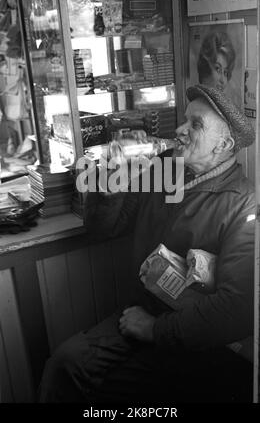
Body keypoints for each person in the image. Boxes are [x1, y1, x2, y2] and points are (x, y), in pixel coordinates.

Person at [39, 85, 255, 403]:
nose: (180, 130)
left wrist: (155, 329)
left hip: (193, 341)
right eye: (185, 120)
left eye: (196, 125)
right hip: (138, 312)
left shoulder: (244, 204)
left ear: (223, 145)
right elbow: (103, 229)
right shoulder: (165, 169)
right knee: (65, 364)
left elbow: (236, 310)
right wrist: (110, 184)